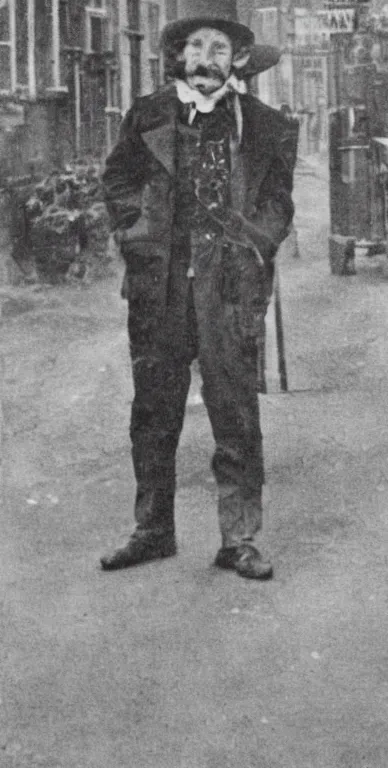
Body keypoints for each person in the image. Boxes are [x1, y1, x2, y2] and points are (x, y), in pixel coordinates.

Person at [99, 16, 298, 580]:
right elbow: (116, 179)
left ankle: (238, 539)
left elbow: (279, 203)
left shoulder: (264, 126)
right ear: (179, 56)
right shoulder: (149, 114)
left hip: (229, 288)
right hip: (159, 287)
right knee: (154, 412)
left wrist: (257, 244)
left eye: (218, 48)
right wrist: (135, 235)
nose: (205, 57)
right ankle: (152, 530)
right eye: (195, 46)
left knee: (234, 411)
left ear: (237, 58)